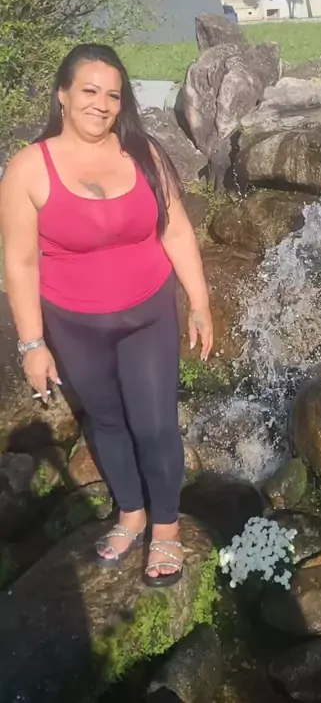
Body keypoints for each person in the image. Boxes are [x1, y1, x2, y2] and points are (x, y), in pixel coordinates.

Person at [0, 43, 213, 588]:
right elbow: (20, 263)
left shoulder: (144, 152)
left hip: (148, 315)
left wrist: (199, 302)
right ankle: (131, 514)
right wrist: (32, 344)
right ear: (63, 95)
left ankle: (166, 526)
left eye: (113, 95)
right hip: (73, 325)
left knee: (155, 423)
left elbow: (176, 230)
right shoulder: (28, 168)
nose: (101, 104)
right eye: (89, 91)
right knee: (108, 420)